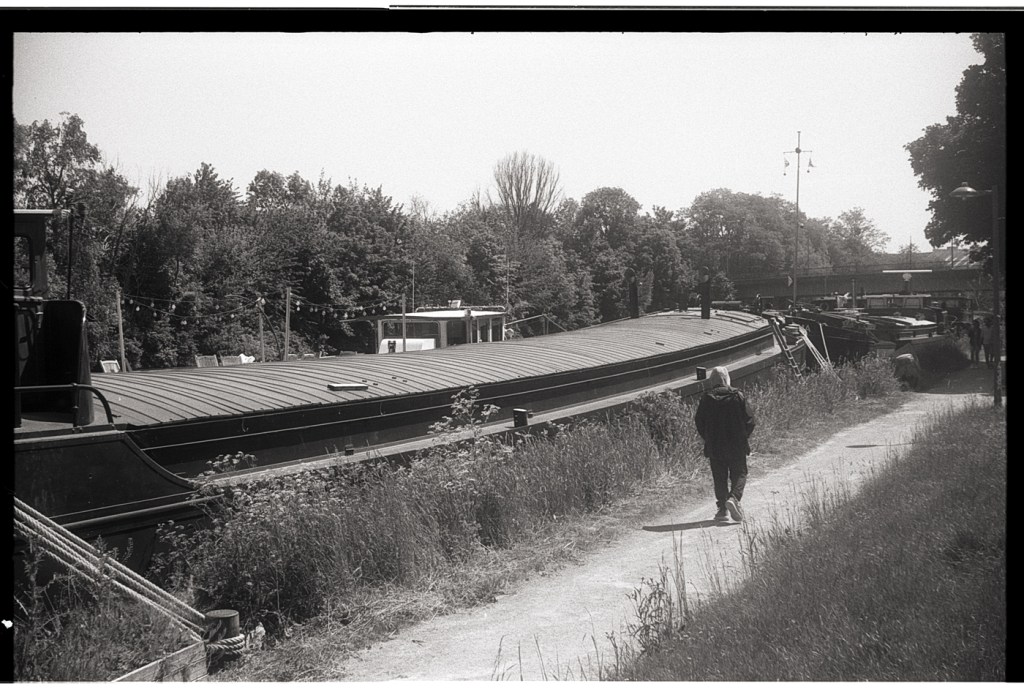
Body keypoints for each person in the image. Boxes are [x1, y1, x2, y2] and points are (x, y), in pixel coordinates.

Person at [694, 366, 757, 523]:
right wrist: (743, 436)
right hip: (736, 443)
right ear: (726, 379)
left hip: (715, 445)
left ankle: (722, 510)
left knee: (719, 476)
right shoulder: (738, 396)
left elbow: (699, 422)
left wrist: (708, 438)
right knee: (740, 473)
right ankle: (734, 498)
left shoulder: (706, 398)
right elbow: (750, 420)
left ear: (712, 381)